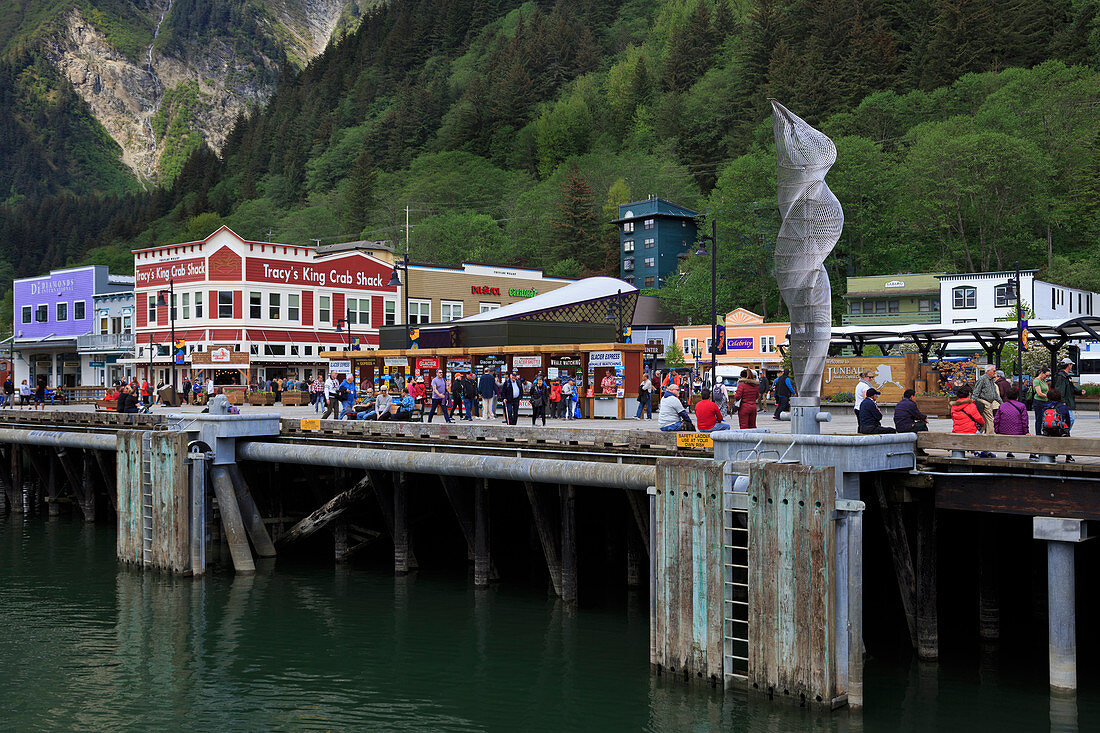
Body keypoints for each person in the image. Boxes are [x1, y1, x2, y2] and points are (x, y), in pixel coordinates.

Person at [1040, 387, 1075, 462]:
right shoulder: (1063, 407)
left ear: (1048, 397)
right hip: (1060, 432)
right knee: (1067, 434)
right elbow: (1068, 421)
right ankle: (1069, 457)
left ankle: (1051, 456)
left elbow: (1042, 420)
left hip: (1048, 432)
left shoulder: (1045, 407)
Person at [994, 385, 1029, 458]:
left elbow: (996, 420)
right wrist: (1026, 432)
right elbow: (1024, 421)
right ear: (1017, 396)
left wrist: (997, 430)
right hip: (1018, 432)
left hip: (1003, 431)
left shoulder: (1002, 406)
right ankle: (1032, 454)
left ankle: (1009, 452)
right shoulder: (1022, 406)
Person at [1051, 358, 1083, 427]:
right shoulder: (1062, 377)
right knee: (1070, 419)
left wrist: (1080, 392)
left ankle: (1065, 432)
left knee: (1068, 419)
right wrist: (1062, 402)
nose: (1071, 366)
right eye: (1071, 365)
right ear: (1069, 365)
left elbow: (1071, 388)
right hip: (1065, 402)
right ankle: (1064, 432)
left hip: (1066, 402)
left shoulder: (1065, 376)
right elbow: (1060, 390)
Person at [971, 365, 1000, 435]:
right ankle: (990, 436)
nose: (995, 373)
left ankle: (977, 434)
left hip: (989, 402)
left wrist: (1002, 403)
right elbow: (976, 391)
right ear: (988, 371)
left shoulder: (991, 380)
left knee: (984, 421)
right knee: (990, 419)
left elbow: (995, 394)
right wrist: (972, 402)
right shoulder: (982, 379)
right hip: (984, 402)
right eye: (994, 371)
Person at [1028, 366, 1051, 436]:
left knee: (1045, 418)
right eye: (1046, 375)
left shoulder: (1044, 381)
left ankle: (1045, 431)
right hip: (1039, 401)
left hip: (1045, 401)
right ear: (1042, 373)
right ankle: (1038, 433)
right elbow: (1039, 393)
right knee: (1039, 418)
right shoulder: (1036, 380)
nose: (1046, 377)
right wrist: (1049, 396)